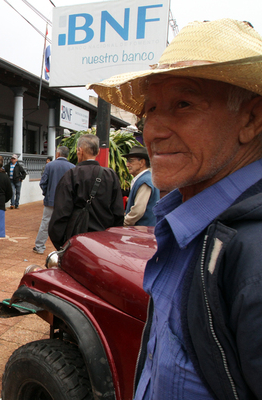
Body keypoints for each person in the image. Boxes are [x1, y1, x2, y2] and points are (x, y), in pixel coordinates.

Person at [87, 19, 262, 399]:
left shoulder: (252, 258)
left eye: (184, 103)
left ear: (251, 118)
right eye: (150, 110)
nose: (153, 132)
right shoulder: (193, 223)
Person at [48, 134, 124, 250]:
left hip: (78, 242)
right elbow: (118, 212)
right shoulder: (111, 175)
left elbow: (61, 213)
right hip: (104, 241)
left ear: (80, 151)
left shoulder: (72, 175)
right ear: (98, 151)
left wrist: (62, 245)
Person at [33, 146, 75, 254]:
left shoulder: (50, 165)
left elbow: (43, 182)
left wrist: (47, 194)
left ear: (57, 154)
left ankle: (39, 246)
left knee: (45, 223)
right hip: (66, 202)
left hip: (51, 200)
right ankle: (65, 248)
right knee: (66, 224)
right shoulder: (72, 167)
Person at [122, 146, 160, 226]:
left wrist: (125, 222)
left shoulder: (145, 181)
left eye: (130, 161)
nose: (127, 164)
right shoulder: (147, 178)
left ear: (142, 163)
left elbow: (138, 210)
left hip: (142, 231)